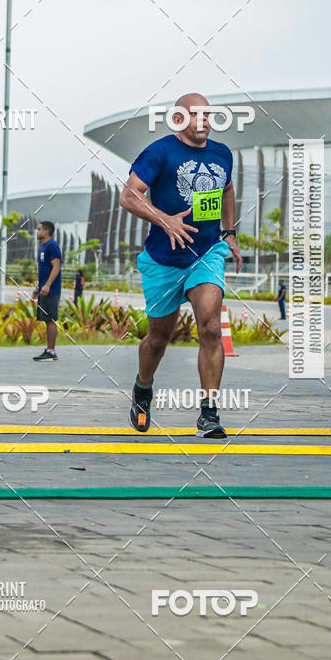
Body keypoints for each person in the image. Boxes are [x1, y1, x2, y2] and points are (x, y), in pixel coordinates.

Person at [120, 93, 242, 438]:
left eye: (208, 114)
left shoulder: (222, 153)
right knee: (158, 339)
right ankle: (143, 388)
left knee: (211, 327)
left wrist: (229, 233)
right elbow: (129, 195)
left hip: (206, 253)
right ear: (178, 119)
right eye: (195, 114)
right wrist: (166, 220)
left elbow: (227, 189)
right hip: (164, 260)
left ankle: (209, 414)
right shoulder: (159, 151)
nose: (203, 120)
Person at [32, 221, 61, 361]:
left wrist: (48, 285)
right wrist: (38, 288)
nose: (37, 232)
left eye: (39, 229)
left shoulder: (52, 245)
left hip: (51, 290)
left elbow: (56, 266)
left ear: (47, 231)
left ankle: (51, 352)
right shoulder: (43, 247)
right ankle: (49, 349)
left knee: (50, 320)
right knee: (47, 320)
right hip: (44, 290)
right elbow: (44, 271)